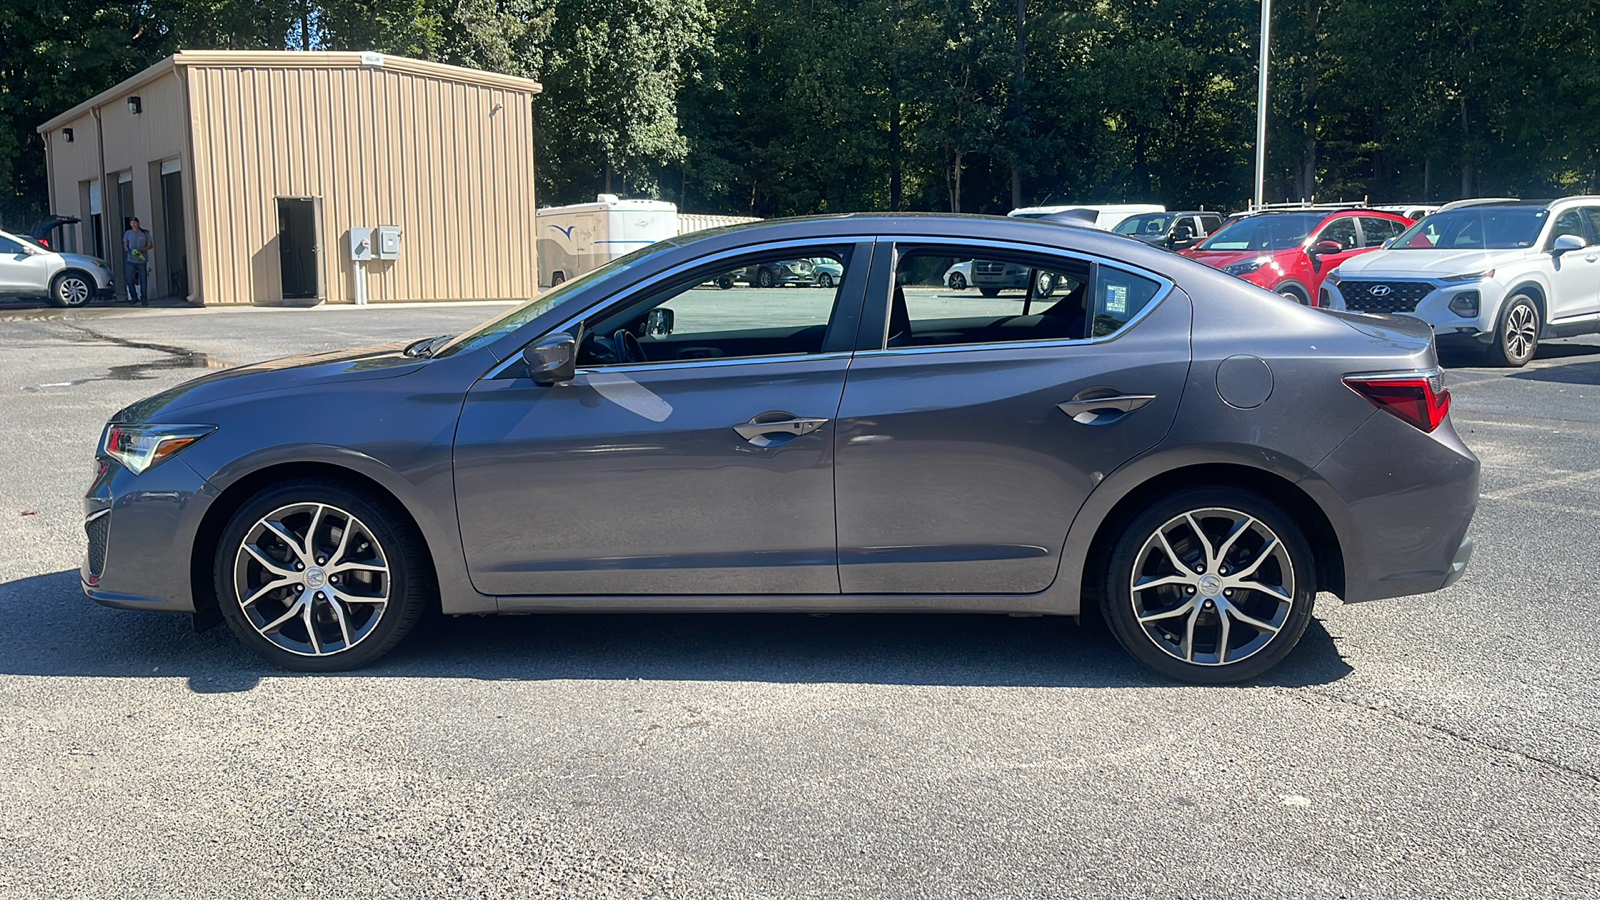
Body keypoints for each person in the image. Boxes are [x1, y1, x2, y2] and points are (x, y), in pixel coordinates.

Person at [123, 218, 154, 305]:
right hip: (130, 260)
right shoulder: (128, 233)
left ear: (138, 223)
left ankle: (144, 299)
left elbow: (150, 245)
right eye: (132, 223)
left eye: (135, 223)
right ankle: (134, 297)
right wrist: (129, 251)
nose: (133, 225)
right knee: (129, 279)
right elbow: (125, 245)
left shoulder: (145, 233)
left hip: (141, 261)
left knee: (143, 280)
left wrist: (141, 250)